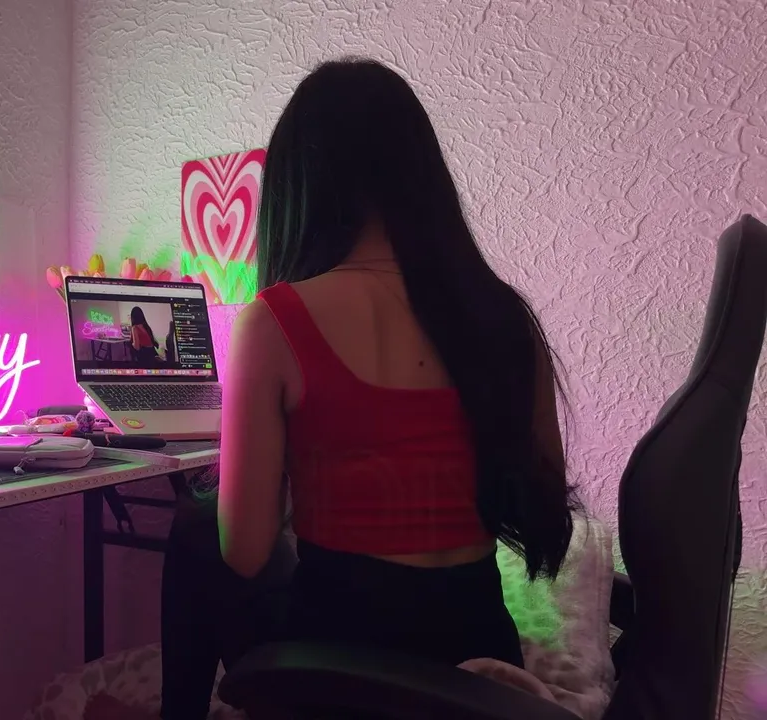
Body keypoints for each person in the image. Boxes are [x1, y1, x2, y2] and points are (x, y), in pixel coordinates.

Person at [143, 58, 577, 720]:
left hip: (345, 675)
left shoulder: (275, 320)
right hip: (477, 670)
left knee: (198, 527)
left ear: (299, 188)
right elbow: (542, 498)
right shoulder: (503, 317)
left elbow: (246, 551)